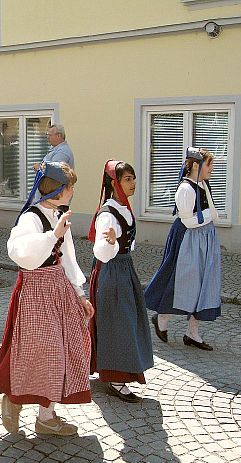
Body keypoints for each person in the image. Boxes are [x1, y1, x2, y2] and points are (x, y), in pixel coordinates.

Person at [0, 162, 94, 436]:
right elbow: (19, 252)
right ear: (59, 190)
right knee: (44, 352)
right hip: (36, 291)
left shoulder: (59, 214)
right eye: (71, 186)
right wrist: (52, 236)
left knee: (63, 351)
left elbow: (68, 257)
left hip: (58, 289)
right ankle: (15, 398)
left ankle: (46, 417)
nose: (73, 191)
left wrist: (80, 293)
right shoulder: (32, 218)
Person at [88, 160, 153, 402]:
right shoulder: (108, 214)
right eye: (127, 179)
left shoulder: (124, 208)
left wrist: (121, 242)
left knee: (126, 320)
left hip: (124, 269)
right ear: (115, 183)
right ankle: (116, 377)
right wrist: (112, 242)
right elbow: (101, 252)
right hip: (111, 272)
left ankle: (116, 370)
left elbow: (130, 242)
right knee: (118, 322)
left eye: (133, 178)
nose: (133, 183)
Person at [144, 147, 221, 351]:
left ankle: (192, 333)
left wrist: (209, 216)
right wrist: (210, 214)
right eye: (209, 164)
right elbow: (187, 221)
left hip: (204, 239)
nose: (211, 169)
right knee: (179, 281)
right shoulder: (185, 189)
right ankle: (161, 319)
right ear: (196, 165)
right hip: (188, 240)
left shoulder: (203, 184)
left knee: (203, 284)